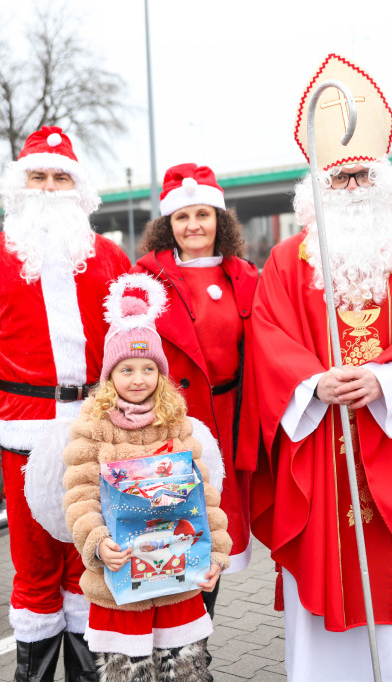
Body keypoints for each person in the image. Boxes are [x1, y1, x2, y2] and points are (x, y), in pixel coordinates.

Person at [250, 54, 392, 681]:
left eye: (362, 176)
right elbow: (269, 337)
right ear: (317, 187)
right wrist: (314, 382)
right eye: (339, 178)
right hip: (322, 451)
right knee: (326, 574)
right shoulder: (285, 263)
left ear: (385, 184)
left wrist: (385, 379)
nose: (351, 188)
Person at [0, 125, 130, 682]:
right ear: (20, 185)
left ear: (78, 188)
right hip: (22, 436)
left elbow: (133, 349)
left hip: (96, 434)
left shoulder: (110, 258)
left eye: (60, 177)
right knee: (34, 571)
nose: (49, 187)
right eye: (38, 176)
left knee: (91, 562)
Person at [62, 273, 231, 682]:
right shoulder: (94, 427)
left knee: (182, 665)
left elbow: (204, 496)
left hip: (176, 576)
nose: (138, 379)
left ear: (160, 373)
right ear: (109, 375)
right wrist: (97, 543)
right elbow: (80, 496)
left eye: (148, 368)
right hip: (122, 579)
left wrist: (216, 553)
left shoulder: (176, 422)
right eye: (126, 369)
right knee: (128, 668)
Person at [132, 162, 260, 617]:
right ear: (167, 224)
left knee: (211, 535)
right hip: (170, 424)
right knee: (171, 532)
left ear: (219, 220)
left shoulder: (245, 276)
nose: (193, 225)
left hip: (228, 424)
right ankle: (175, 639)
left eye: (202, 214)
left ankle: (197, 640)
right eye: (182, 217)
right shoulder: (144, 281)